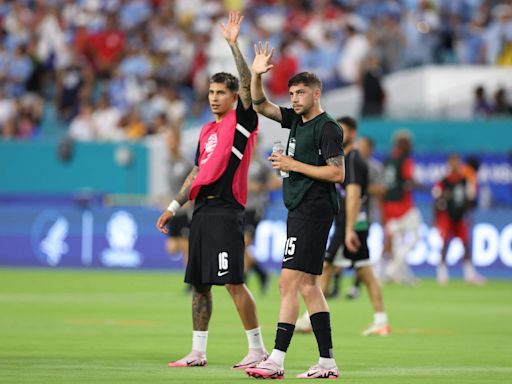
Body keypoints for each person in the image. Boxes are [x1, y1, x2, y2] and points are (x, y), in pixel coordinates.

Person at [155, 12, 267, 369]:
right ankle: (198, 352)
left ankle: (257, 348)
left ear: (235, 97)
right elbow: (196, 171)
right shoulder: (205, 131)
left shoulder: (243, 122)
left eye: (221, 93)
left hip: (226, 211)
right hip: (200, 211)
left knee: (233, 283)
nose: (214, 98)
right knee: (200, 285)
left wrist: (234, 45)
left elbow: (249, 83)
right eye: (211, 93)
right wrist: (175, 206)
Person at [245, 42, 344, 380]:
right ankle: (327, 364)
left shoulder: (327, 127)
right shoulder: (296, 121)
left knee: (288, 283)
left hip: (314, 210)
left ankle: (276, 359)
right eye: (291, 93)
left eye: (301, 93)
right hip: (300, 209)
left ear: (316, 93)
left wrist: (293, 164)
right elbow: (260, 105)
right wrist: (256, 75)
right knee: (308, 287)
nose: (295, 98)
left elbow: (337, 173)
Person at [297, 118, 390, 337]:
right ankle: (381, 320)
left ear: (354, 133)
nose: (339, 135)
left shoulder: (354, 159)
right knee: (366, 271)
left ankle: (310, 318)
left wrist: (348, 229)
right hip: (353, 223)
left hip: (350, 225)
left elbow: (354, 194)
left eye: (344, 131)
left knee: (327, 266)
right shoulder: (344, 158)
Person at [433, 154, 486, 286]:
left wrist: (467, 214)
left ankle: (469, 274)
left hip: (461, 216)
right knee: (445, 244)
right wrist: (435, 218)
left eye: (457, 162)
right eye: (452, 162)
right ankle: (442, 273)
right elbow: (436, 199)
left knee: (465, 244)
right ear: (449, 164)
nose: (455, 165)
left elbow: (471, 200)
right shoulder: (443, 181)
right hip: (446, 216)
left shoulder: (465, 180)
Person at [380, 130, 422, 285]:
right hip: (404, 207)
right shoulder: (405, 160)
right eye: (409, 143)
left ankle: (401, 272)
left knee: (396, 241)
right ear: (403, 144)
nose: (411, 146)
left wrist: (383, 208)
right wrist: (428, 188)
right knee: (416, 237)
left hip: (389, 206)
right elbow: (408, 181)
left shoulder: (388, 159)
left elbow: (383, 186)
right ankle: (393, 268)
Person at [164, 127, 193, 277]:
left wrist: (189, 200)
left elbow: (194, 183)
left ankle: (191, 279)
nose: (168, 143)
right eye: (167, 140)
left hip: (186, 210)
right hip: (174, 209)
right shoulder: (168, 162)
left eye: (171, 139)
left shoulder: (186, 162)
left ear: (178, 141)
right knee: (172, 247)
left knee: (185, 245)